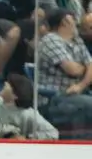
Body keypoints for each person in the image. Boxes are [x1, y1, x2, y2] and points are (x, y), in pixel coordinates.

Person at [37, 9, 92, 139]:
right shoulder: (50, 40)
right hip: (54, 98)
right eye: (73, 19)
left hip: (77, 94)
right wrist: (85, 67)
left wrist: (81, 85)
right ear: (65, 21)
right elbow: (72, 70)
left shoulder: (76, 40)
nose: (76, 22)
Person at [0, 74, 59, 139]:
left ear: (15, 95)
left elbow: (53, 133)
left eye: (9, 84)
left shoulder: (28, 114)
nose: (5, 83)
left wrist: (27, 139)